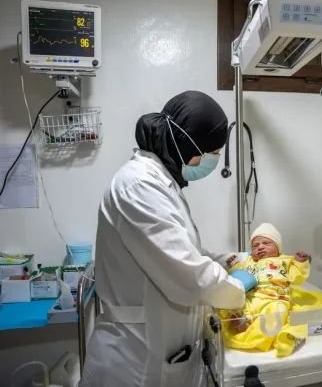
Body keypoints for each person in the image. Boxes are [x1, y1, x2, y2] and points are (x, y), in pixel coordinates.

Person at [80, 91, 254, 387]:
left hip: (161, 352)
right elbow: (190, 276)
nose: (214, 160)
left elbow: (184, 252)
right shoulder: (139, 186)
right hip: (135, 363)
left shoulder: (161, 183)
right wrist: (239, 285)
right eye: (213, 152)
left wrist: (231, 260)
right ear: (188, 144)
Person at [220, 223, 312, 357]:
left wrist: (299, 262)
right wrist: (234, 265)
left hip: (275, 298)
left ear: (278, 247)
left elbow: (297, 278)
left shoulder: (285, 260)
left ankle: (251, 329)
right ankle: (241, 320)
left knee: (277, 313)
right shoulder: (249, 262)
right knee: (233, 304)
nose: (260, 247)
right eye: (255, 246)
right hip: (251, 296)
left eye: (266, 243)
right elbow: (239, 276)